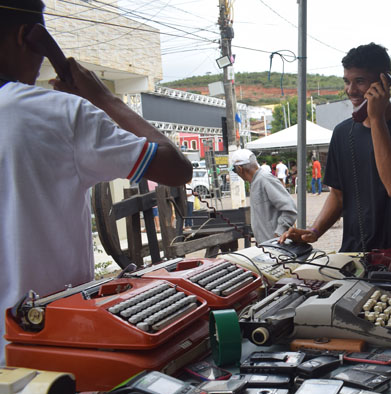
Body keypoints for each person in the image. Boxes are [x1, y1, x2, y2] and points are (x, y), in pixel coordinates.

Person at [0, 0, 192, 365]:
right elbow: (177, 168)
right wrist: (102, 97)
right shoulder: (53, 113)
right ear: (32, 38)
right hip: (45, 352)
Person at [280, 43, 391, 252]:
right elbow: (338, 195)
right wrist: (314, 231)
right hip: (353, 254)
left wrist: (376, 118)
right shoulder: (342, 132)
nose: (351, 90)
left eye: (359, 81)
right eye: (347, 81)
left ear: (384, 81)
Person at [230, 149, 296, 244]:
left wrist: (278, 233)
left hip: (278, 246)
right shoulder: (255, 181)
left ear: (240, 169)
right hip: (268, 246)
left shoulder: (265, 179)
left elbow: (290, 208)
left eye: (234, 170)